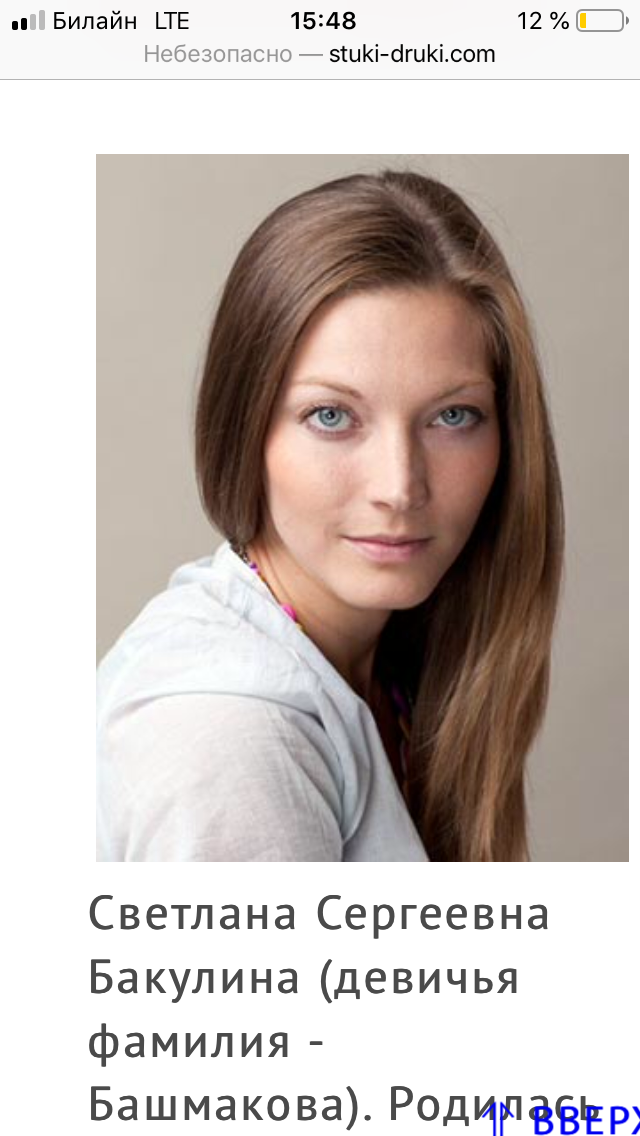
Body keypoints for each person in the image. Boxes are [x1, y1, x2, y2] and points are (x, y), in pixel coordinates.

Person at [97, 170, 564, 862]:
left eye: (452, 416)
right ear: (245, 428)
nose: (399, 487)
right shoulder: (234, 738)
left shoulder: (386, 668)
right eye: (331, 416)